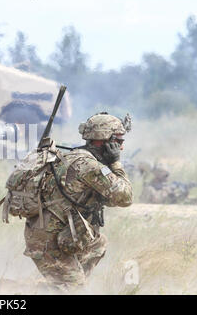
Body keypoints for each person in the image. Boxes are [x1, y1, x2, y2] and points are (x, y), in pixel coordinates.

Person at [21, 112, 133, 292]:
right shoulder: (88, 165)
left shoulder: (76, 157)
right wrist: (116, 164)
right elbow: (125, 197)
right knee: (74, 289)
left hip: (56, 234)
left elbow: (107, 198)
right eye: (118, 141)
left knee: (98, 244)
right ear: (103, 141)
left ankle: (53, 285)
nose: (121, 147)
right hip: (49, 241)